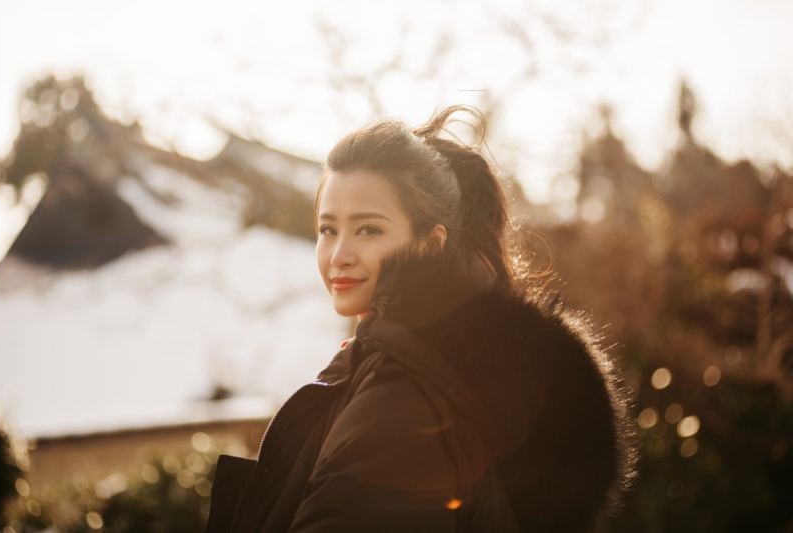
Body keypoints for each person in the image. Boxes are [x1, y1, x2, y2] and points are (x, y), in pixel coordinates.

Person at [205, 106, 632, 533]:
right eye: (328, 229)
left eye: (368, 229)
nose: (339, 255)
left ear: (431, 244)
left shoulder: (402, 404)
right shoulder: (430, 370)